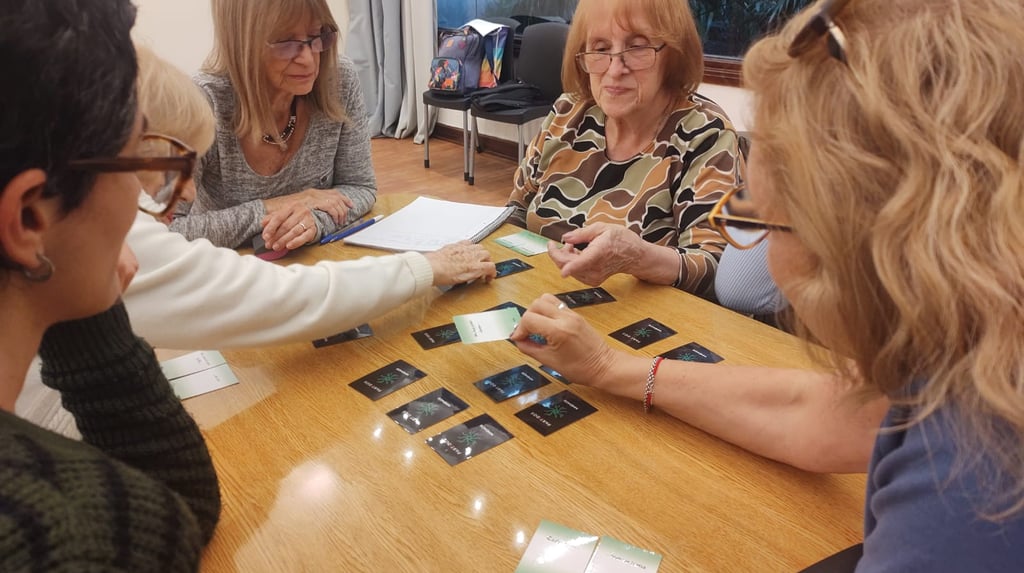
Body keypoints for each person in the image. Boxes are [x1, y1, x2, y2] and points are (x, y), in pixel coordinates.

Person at [513, 0, 1024, 568]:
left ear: (866, 245)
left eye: (756, 219)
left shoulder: (965, 490)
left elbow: (725, 282)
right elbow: (824, 411)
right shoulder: (970, 359)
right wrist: (609, 368)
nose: (758, 261)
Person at [0, 0, 220, 569]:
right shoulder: (62, 533)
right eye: (136, 163)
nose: (154, 204)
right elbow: (164, 516)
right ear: (27, 218)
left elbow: (175, 508)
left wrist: (66, 282)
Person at [127, 45, 497, 349]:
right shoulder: (126, 250)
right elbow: (286, 298)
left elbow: (359, 189)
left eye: (316, 38)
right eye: (165, 173)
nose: (187, 190)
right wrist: (426, 267)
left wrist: (311, 216)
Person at [507, 0, 740, 297]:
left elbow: (715, 269)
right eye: (601, 48)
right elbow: (514, 212)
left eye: (636, 47)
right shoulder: (568, 112)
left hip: (644, 323)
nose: (615, 69)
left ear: (673, 54)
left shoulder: (705, 132)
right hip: (543, 300)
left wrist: (638, 257)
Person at [169, 0, 373, 250]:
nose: (309, 60)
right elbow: (164, 232)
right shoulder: (202, 103)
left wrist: (314, 221)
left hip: (311, 267)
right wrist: (280, 204)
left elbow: (360, 187)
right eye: (286, 43)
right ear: (243, 43)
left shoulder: (338, 79)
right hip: (229, 272)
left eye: (318, 36)